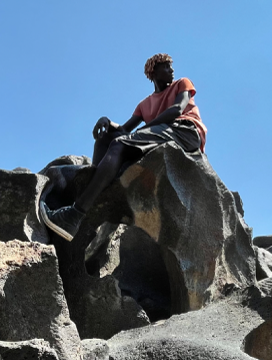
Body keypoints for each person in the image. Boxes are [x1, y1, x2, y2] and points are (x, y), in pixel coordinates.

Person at [40, 53, 207, 241]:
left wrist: (143, 130)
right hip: (160, 133)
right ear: (154, 71)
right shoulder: (145, 104)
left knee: (120, 143)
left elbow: (176, 110)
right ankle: (97, 182)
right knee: (107, 139)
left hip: (184, 130)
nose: (172, 70)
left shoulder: (181, 83)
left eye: (171, 67)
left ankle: (74, 215)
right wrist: (108, 122)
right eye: (166, 67)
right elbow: (126, 129)